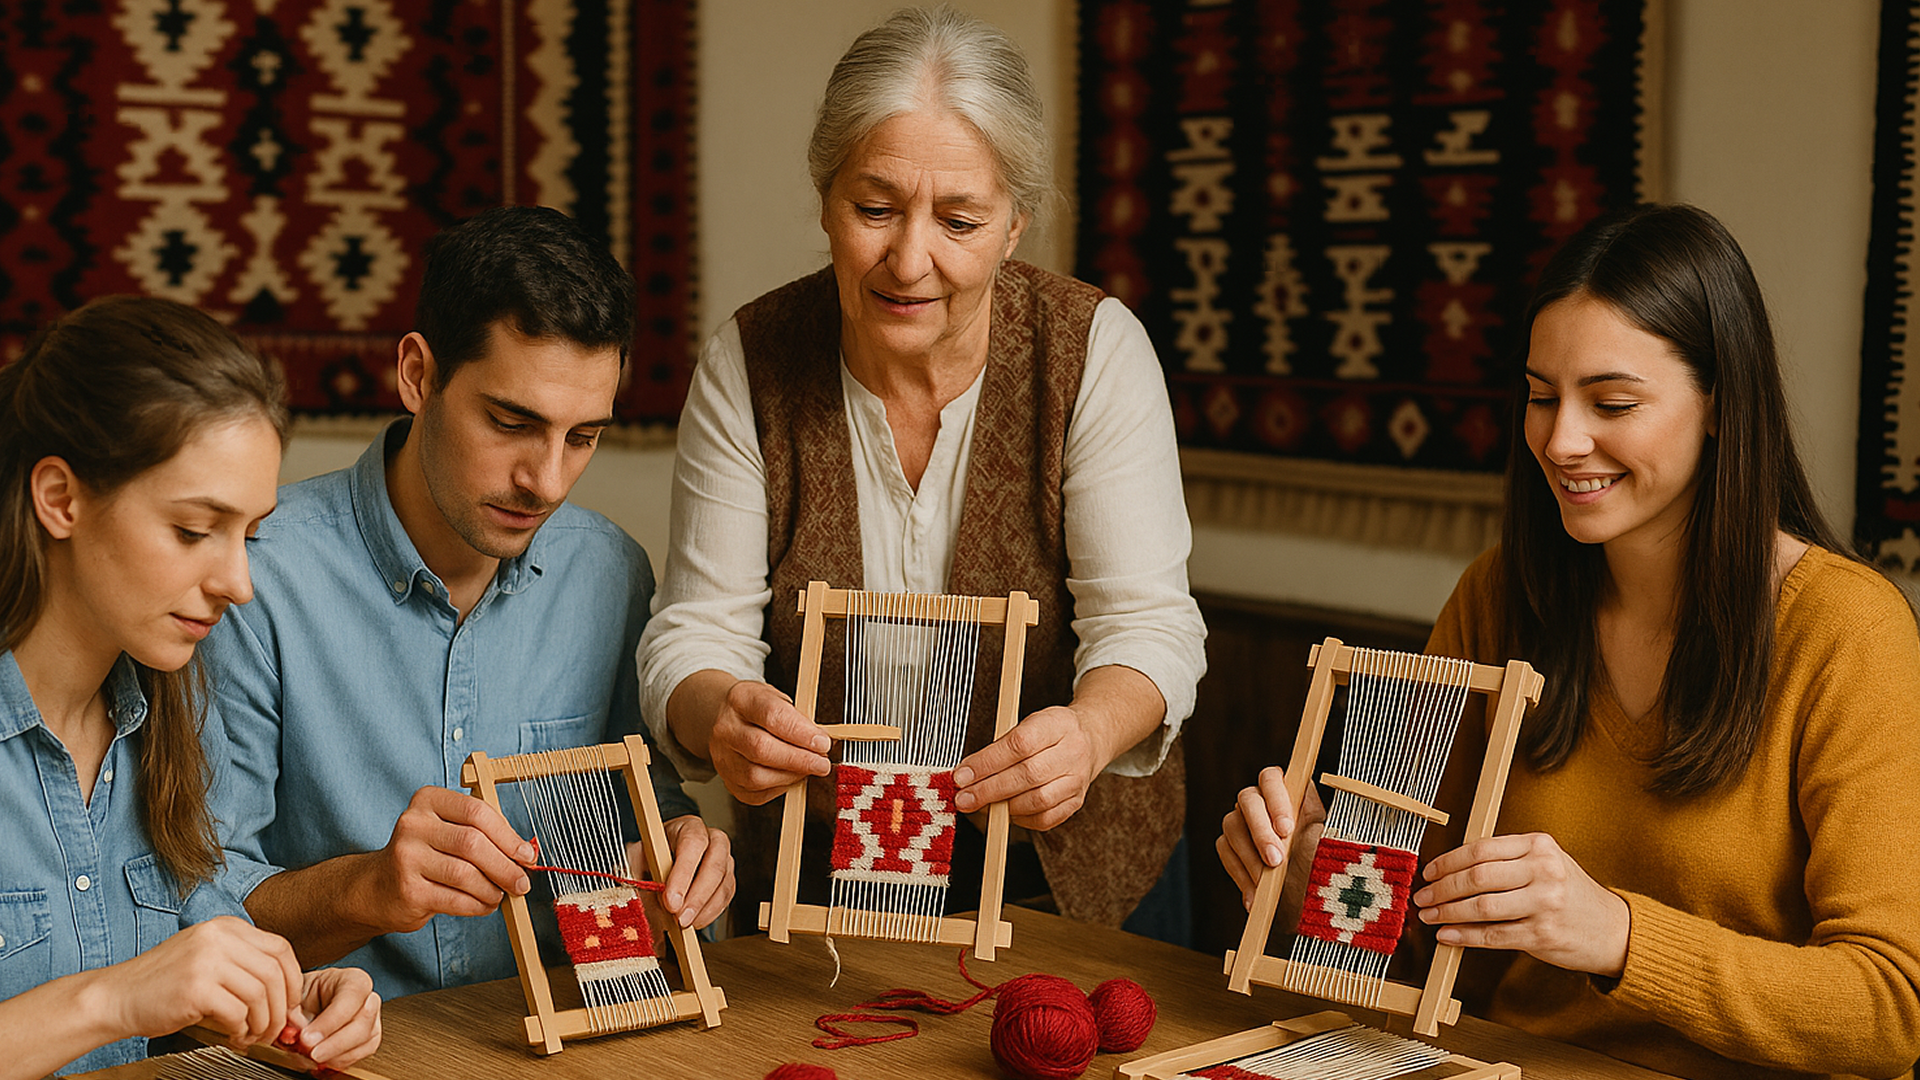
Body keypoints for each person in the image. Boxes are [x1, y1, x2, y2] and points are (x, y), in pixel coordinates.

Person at [1218, 204, 1920, 1079]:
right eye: (1542, 396)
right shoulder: (1496, 597)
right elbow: (1404, 945)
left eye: (1612, 402)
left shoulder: (1848, 630)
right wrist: (1307, 889)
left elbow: (1891, 1008)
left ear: (1719, 405)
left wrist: (1618, 935)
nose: (1561, 441)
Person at [638, 6, 1206, 938]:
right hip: (823, 873)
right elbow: (697, 631)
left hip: (1069, 875)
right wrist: (718, 715)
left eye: (959, 220)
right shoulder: (749, 361)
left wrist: (1089, 733)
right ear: (826, 199)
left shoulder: (1093, 352)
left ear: (1015, 224)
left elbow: (1148, 624)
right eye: (874, 209)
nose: (909, 261)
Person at [203, 206, 734, 999]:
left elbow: (639, 825)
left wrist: (680, 861)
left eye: (582, 437)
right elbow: (199, 908)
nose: (546, 481)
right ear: (418, 375)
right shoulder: (256, 583)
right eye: (512, 423)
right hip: (344, 1043)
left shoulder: (609, 572)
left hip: (565, 1033)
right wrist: (370, 889)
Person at [0, 297, 382, 1076]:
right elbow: (133, 995)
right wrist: (114, 999)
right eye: (193, 530)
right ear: (61, 499)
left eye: (250, 533)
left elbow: (189, 962)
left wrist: (285, 999)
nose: (238, 583)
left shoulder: (168, 719)